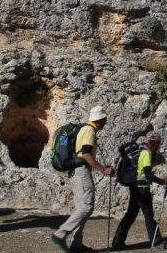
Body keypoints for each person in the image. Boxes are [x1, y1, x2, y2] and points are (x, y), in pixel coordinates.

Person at [50, 106, 116, 253]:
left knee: (82, 208)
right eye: (104, 121)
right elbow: (85, 153)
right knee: (86, 207)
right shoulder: (89, 130)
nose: (105, 123)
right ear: (99, 120)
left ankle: (77, 245)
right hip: (82, 172)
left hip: (77, 171)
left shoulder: (84, 129)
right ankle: (60, 234)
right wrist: (103, 169)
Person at [112, 132, 167, 250]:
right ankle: (157, 242)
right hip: (142, 189)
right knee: (149, 216)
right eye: (158, 144)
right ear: (156, 143)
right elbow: (148, 174)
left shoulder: (140, 151)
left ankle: (117, 242)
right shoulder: (146, 153)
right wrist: (162, 181)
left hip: (135, 187)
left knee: (130, 215)